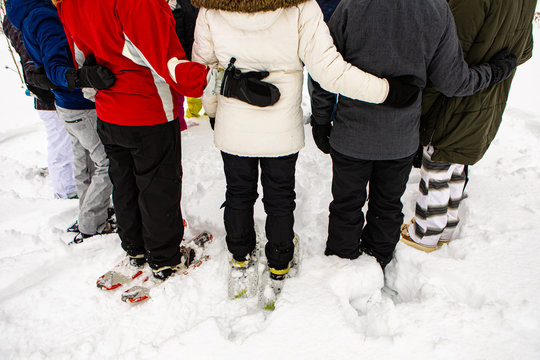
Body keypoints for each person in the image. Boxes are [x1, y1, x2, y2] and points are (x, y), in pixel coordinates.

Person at [191, 0, 419, 294]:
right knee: (280, 196)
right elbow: (330, 72)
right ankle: (279, 263)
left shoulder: (211, 8)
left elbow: (204, 69)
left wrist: (212, 111)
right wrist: (386, 91)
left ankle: (239, 257)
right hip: (280, 130)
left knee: (238, 192)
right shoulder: (301, 7)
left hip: (233, 123)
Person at [310, 0, 518, 268]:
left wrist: (322, 119)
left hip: (352, 136)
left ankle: (341, 267)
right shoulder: (435, 9)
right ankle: (377, 265)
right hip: (400, 138)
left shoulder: (351, 6)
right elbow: (453, 82)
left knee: (346, 207)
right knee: (386, 209)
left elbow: (325, 72)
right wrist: (495, 71)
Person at [56, 0, 215, 280]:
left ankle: (135, 248)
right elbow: (168, 63)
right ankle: (165, 259)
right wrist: (216, 80)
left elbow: (81, 57)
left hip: (109, 111)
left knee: (125, 183)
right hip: (148, 110)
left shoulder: (71, 3)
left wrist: (94, 93)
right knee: (157, 186)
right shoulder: (139, 3)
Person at [400, 0, 536, 252]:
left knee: (438, 161)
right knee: (457, 160)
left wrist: (421, 109)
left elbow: (448, 56)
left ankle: (425, 233)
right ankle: (447, 226)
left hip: (458, 96)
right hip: (491, 92)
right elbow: (524, 50)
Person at [6, 0, 115, 242]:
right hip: (78, 103)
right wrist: (83, 77)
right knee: (107, 163)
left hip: (67, 104)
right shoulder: (43, 15)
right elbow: (56, 66)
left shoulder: (24, 10)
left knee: (84, 162)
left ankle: (91, 214)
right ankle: (90, 222)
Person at [2, 16, 77, 200]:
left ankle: (70, 187)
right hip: (49, 93)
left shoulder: (25, 15)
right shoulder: (21, 18)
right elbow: (30, 56)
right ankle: (66, 191)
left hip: (56, 90)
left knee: (68, 142)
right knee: (62, 144)